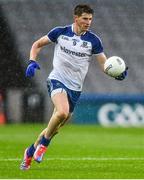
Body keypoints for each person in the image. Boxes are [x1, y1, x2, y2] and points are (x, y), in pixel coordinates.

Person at [20, 4, 128, 170]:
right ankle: (44, 145)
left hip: (75, 88)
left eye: (90, 19)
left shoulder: (94, 40)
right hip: (57, 79)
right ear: (76, 18)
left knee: (55, 126)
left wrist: (116, 74)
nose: (88, 22)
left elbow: (104, 65)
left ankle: (30, 151)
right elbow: (37, 44)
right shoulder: (60, 32)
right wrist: (32, 61)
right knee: (62, 112)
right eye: (85, 18)